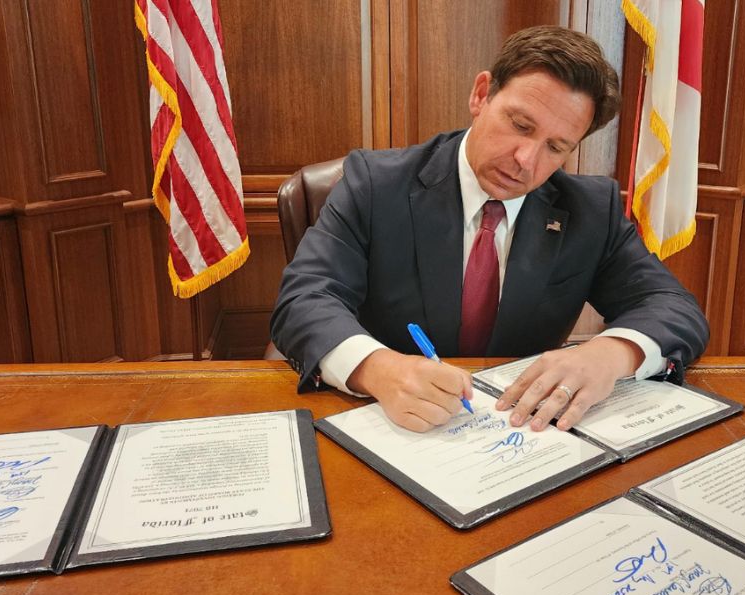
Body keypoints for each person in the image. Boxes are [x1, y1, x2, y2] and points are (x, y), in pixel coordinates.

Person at [271, 25, 708, 434]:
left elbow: (673, 306)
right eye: (520, 125)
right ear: (482, 95)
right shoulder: (375, 184)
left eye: (556, 147)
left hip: (516, 433)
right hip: (388, 422)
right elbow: (304, 299)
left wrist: (612, 354)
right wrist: (377, 369)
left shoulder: (591, 209)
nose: (526, 160)